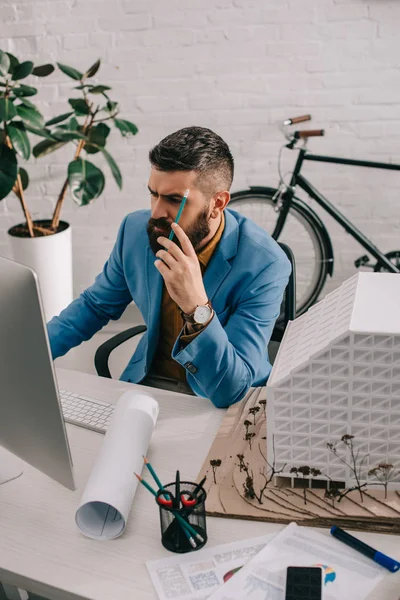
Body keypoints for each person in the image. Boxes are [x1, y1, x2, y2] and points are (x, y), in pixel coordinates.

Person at [47, 126, 291, 408]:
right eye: (154, 194)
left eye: (175, 200)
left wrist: (197, 307)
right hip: (147, 387)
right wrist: (23, 355)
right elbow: (94, 306)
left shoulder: (266, 264)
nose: (156, 212)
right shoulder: (135, 231)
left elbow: (231, 389)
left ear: (217, 204)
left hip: (219, 399)